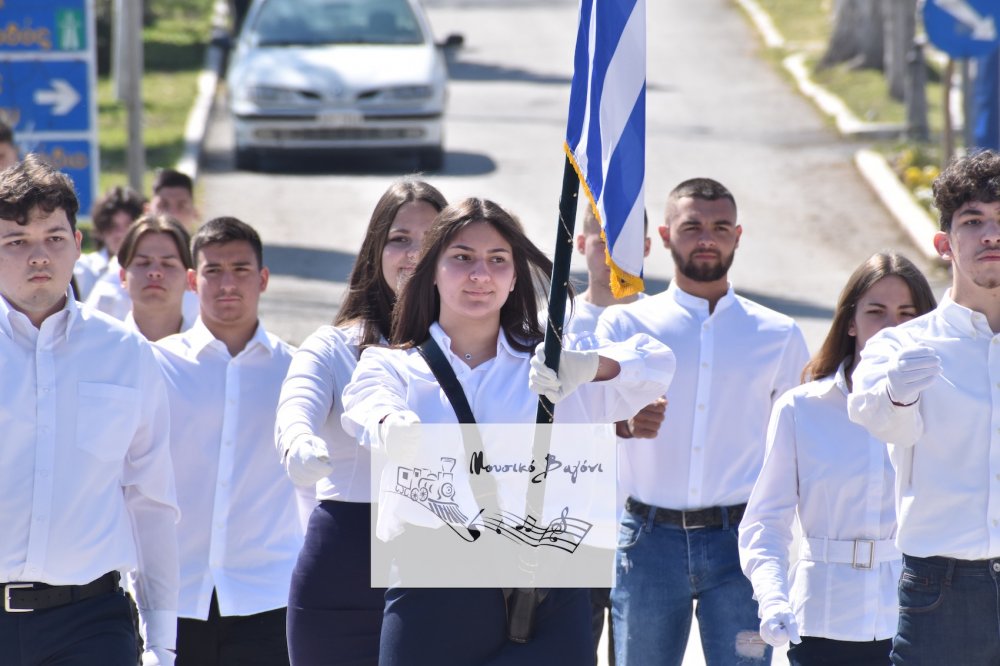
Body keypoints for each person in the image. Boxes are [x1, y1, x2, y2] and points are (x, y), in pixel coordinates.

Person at [341, 197, 676, 665]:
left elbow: (658, 363)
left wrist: (590, 367)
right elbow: (366, 403)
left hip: (547, 594)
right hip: (433, 587)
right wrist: (394, 426)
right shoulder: (395, 364)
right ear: (431, 270)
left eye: (498, 260)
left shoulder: (553, 363)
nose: (480, 274)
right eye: (462, 258)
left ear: (515, 276)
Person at [597, 177, 810, 666]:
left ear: (738, 235)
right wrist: (624, 424)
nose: (707, 238)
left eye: (720, 227)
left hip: (741, 550)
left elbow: (798, 447)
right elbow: (587, 419)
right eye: (692, 226)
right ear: (667, 236)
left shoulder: (778, 335)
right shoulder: (626, 326)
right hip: (646, 544)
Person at [0, 154, 179, 665]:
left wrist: (162, 639)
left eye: (54, 238)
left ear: (79, 246)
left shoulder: (126, 354)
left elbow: (151, 501)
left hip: (90, 623)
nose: (39, 257)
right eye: (17, 241)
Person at [275, 179, 447, 665]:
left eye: (430, 240)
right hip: (344, 566)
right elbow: (296, 406)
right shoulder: (332, 347)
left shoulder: (478, 351)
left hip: (448, 564)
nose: (414, 253)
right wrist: (298, 442)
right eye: (399, 239)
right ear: (375, 251)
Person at [739, 252, 936, 666]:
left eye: (907, 313)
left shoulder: (942, 406)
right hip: (822, 620)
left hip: (918, 618)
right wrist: (772, 596)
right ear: (850, 321)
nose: (891, 326)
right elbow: (766, 520)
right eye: (876, 312)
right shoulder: (801, 408)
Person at [848, 149, 1000, 665]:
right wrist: (898, 391)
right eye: (973, 221)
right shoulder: (902, 345)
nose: (991, 235)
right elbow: (875, 416)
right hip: (944, 587)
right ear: (944, 243)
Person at [153, 217, 302, 665]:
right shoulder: (157, 364)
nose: (227, 283)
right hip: (174, 595)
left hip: (268, 596)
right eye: (213, 271)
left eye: (240, 269)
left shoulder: (297, 371)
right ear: (193, 281)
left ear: (263, 279)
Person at [564, 205, 653, 666]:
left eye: (625, 240)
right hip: (572, 529)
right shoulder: (551, 325)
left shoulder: (663, 326)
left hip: (647, 533)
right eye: (602, 238)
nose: (612, 251)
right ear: (581, 246)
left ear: (647, 248)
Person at [118, 213, 196, 341]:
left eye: (168, 264)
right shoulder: (103, 353)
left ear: (190, 279)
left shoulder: (208, 358)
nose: (154, 272)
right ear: (123, 276)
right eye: (143, 263)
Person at [74, 185, 145, 300]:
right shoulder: (81, 270)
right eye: (112, 226)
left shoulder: (151, 272)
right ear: (100, 229)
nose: (120, 234)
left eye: (129, 225)